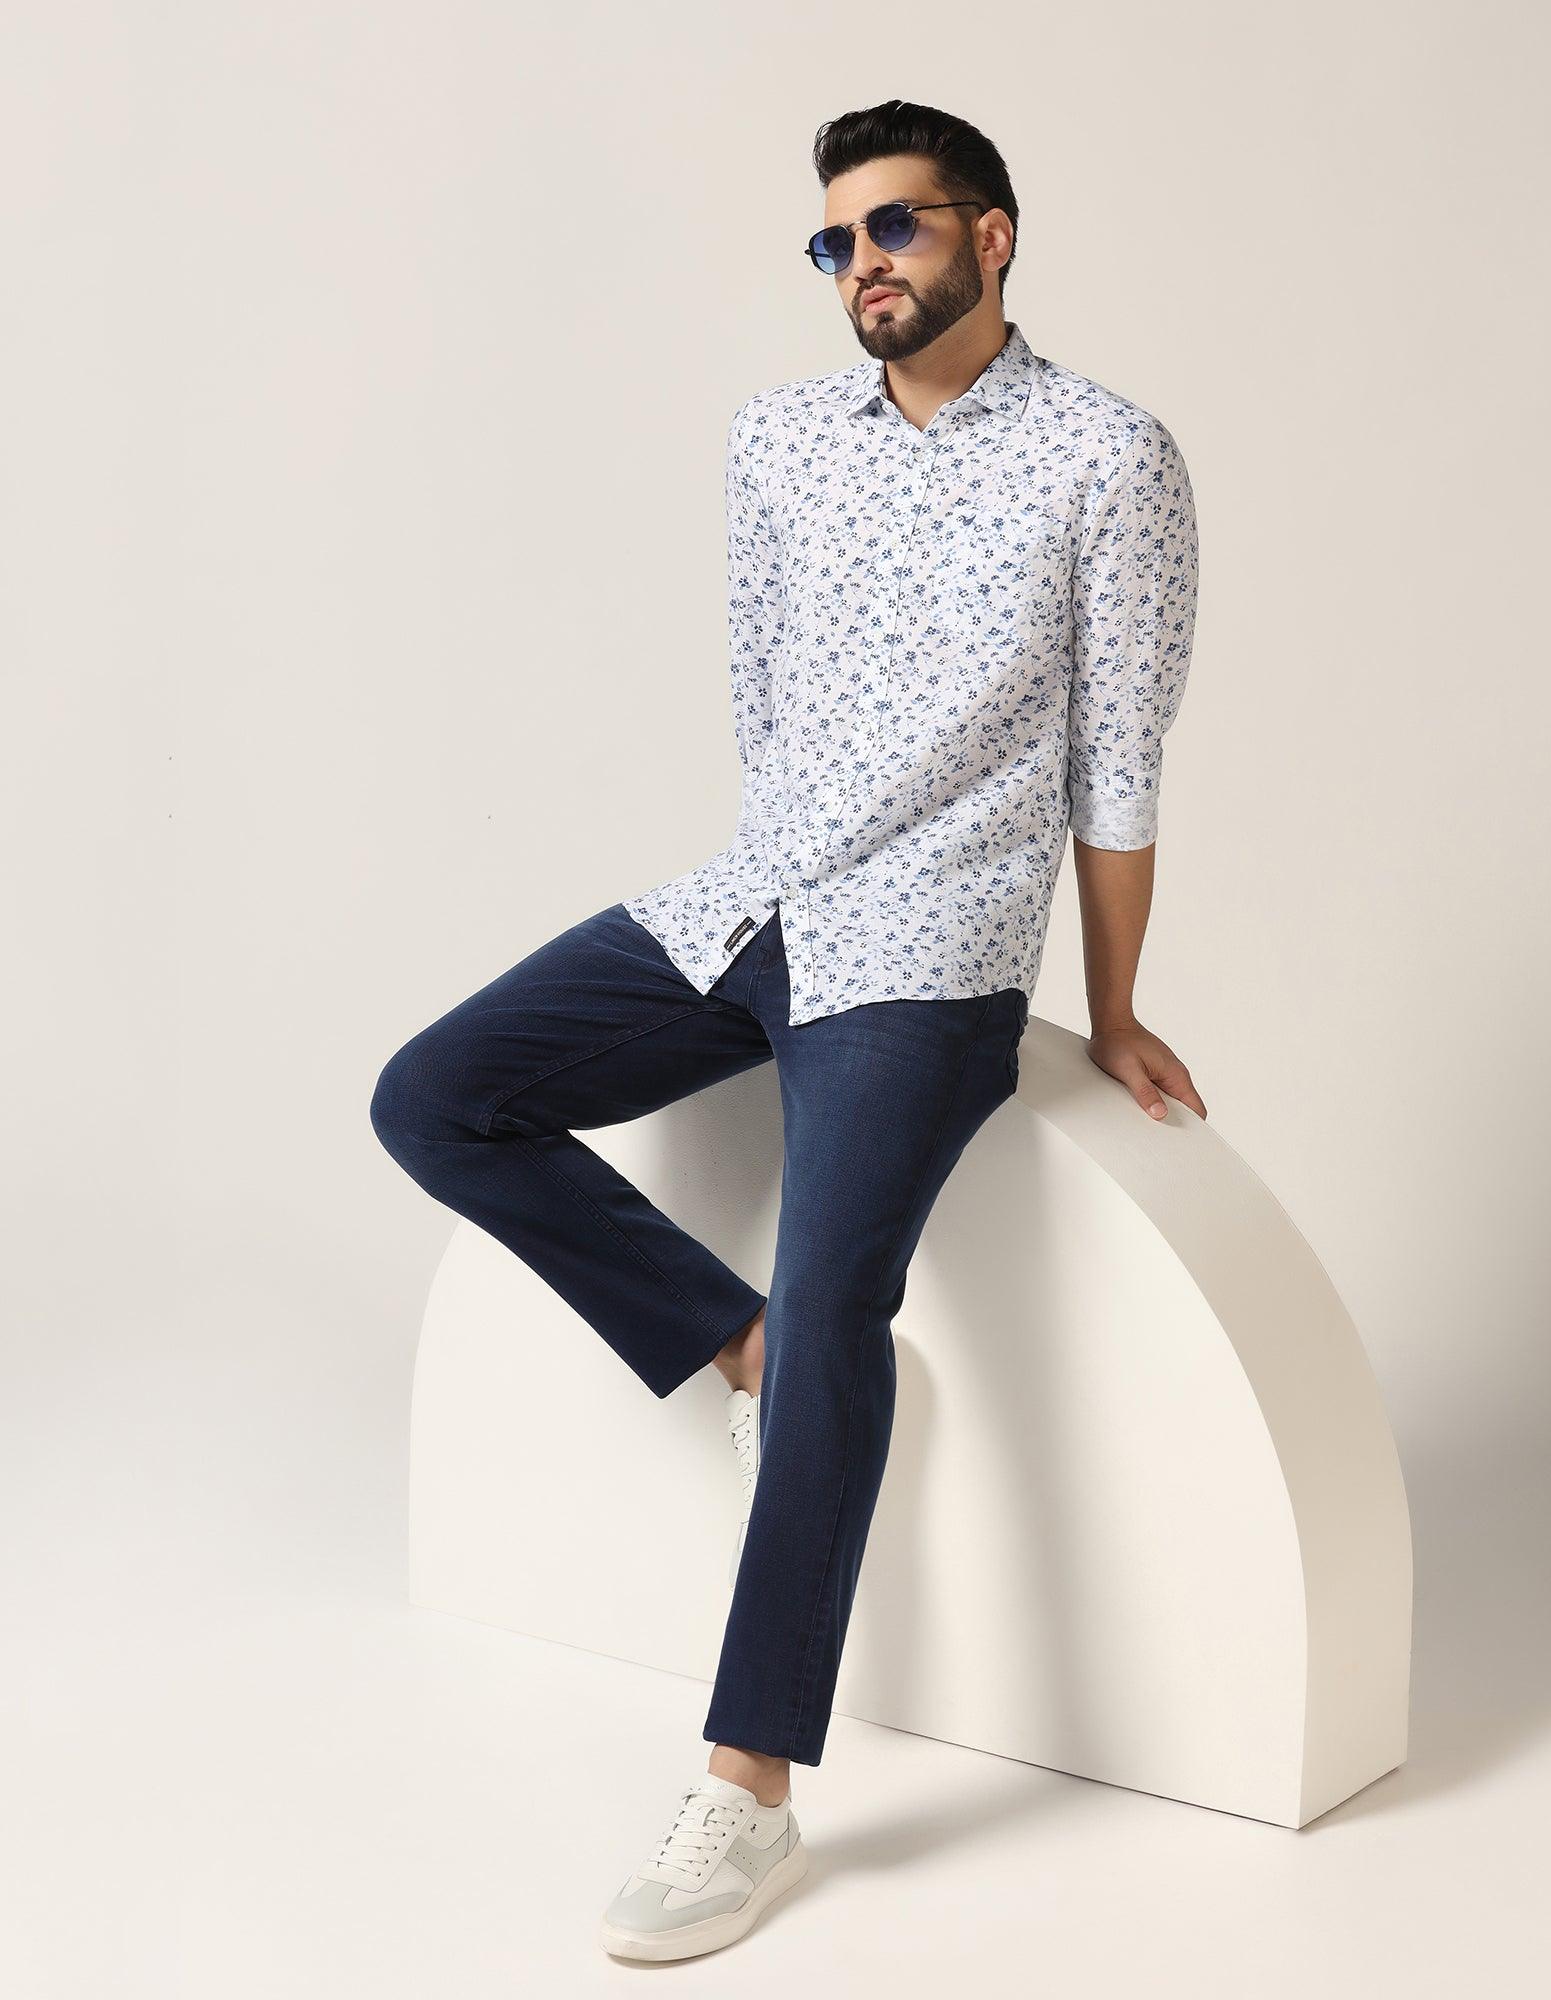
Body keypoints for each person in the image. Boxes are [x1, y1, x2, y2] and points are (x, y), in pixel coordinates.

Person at [369, 96, 1206, 1964]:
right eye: (835, 241)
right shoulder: (776, 441)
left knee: (844, 1305)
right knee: (436, 1096)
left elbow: (1120, 757)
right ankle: (736, 1348)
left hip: (933, 948)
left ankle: (747, 1791)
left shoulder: (1109, 456)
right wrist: (771, 875)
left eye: (895, 226)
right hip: (750, 906)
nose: (861, 265)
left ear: (992, 235)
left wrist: (1116, 1005)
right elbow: (762, 691)